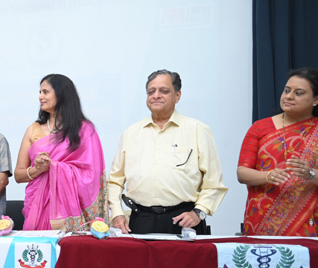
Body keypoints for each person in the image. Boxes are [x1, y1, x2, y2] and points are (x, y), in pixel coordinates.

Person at [108, 69, 227, 235]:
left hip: (184, 221)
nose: (156, 96)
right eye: (151, 91)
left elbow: (214, 182)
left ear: (177, 96)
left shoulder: (197, 130)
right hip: (140, 220)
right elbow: (115, 181)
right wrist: (116, 212)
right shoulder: (131, 133)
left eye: (163, 91)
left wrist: (199, 211)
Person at [14, 74, 108, 231]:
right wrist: (38, 170)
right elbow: (18, 175)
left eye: (45, 92)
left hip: (70, 214)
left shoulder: (84, 130)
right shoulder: (33, 129)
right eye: (40, 92)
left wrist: (55, 167)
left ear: (61, 94)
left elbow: (92, 175)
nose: (40, 97)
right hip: (37, 209)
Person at [237, 67, 318, 236]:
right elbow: (242, 173)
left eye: (298, 93)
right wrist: (268, 175)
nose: (289, 96)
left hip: (307, 221)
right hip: (261, 220)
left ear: (315, 100)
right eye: (287, 90)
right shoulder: (260, 128)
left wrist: (310, 173)